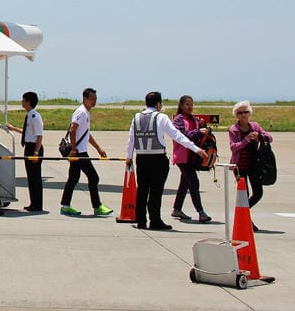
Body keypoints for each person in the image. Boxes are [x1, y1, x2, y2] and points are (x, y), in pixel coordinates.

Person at [125, 91, 208, 230]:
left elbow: (131, 139)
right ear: (158, 104)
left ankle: (141, 220)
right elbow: (177, 135)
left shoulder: (136, 117)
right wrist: (196, 149)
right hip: (158, 158)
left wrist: (128, 157)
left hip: (141, 157)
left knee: (142, 190)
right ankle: (155, 220)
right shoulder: (161, 117)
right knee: (156, 191)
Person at [59, 87, 112, 217]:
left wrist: (98, 148)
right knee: (93, 177)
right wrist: (73, 150)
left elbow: (86, 134)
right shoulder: (81, 112)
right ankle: (97, 206)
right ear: (85, 99)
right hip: (79, 152)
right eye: (91, 99)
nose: (94, 101)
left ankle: (65, 206)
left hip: (80, 151)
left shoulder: (86, 113)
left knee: (73, 178)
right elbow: (72, 130)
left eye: (95, 99)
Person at [230, 99, 273, 230]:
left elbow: (270, 138)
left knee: (258, 193)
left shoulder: (255, 126)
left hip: (254, 165)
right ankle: (246, 220)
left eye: (246, 112)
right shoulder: (234, 129)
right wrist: (247, 139)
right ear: (236, 115)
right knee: (244, 194)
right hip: (239, 166)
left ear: (249, 113)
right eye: (240, 112)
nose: (243, 115)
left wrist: (260, 135)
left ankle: (242, 214)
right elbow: (234, 147)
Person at [170, 95, 211, 223]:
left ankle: (177, 209)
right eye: (187, 104)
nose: (190, 107)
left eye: (191, 104)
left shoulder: (196, 120)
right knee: (193, 182)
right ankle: (201, 212)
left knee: (185, 183)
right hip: (182, 157)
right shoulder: (178, 120)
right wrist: (199, 132)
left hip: (194, 157)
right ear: (181, 106)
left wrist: (204, 129)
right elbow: (182, 136)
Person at [6, 91, 44, 212]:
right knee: (31, 177)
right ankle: (33, 202)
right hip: (29, 147)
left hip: (34, 148)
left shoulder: (35, 117)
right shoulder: (29, 116)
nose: (22, 102)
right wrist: (13, 128)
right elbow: (27, 133)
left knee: (35, 177)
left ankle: (37, 204)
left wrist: (36, 153)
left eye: (23, 100)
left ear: (28, 102)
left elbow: (39, 136)